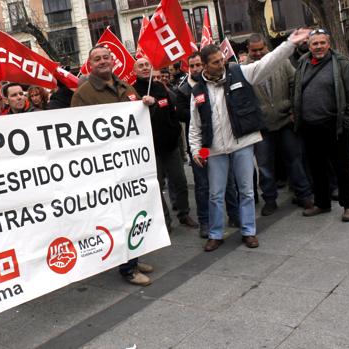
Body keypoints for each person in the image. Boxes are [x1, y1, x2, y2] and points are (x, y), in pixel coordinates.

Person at [189, 28, 312, 252]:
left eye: (222, 59)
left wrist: (290, 44)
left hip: (243, 143)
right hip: (215, 150)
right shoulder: (197, 90)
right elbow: (195, 125)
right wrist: (196, 150)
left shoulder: (239, 73)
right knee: (216, 194)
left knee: (246, 190)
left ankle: (249, 231)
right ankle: (216, 234)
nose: (221, 64)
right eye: (215, 62)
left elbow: (267, 64)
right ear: (205, 66)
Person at [71, 45, 156, 286]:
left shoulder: (126, 87)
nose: (102, 62)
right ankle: (127, 269)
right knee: (118, 217)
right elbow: (76, 133)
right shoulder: (83, 94)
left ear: (112, 61)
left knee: (133, 213)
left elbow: (137, 121)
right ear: (90, 65)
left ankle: (134, 256)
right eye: (96, 59)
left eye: (106, 57)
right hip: (106, 169)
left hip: (130, 164)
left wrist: (145, 104)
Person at [293, 28, 349, 222]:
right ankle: (322, 203)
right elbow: (297, 90)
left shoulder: (340, 63)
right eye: (315, 43)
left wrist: (348, 120)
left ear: (328, 44)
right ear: (309, 45)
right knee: (317, 167)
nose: (319, 46)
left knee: (343, 167)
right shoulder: (302, 63)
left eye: (322, 42)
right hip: (310, 126)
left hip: (335, 125)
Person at [246, 33, 314, 216]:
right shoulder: (244, 70)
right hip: (262, 128)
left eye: (261, 49)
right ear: (248, 51)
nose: (258, 53)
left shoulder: (282, 62)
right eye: (254, 50)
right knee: (264, 166)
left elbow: (295, 84)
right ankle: (270, 199)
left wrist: (293, 109)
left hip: (285, 121)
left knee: (294, 160)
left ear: (266, 47)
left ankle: (304, 194)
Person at [133, 58, 200, 231]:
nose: (145, 67)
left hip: (170, 146)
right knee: (157, 186)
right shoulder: (133, 92)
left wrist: (175, 131)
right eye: (140, 66)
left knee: (180, 181)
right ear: (134, 71)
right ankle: (165, 220)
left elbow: (171, 111)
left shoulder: (160, 88)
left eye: (147, 64)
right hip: (151, 149)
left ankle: (184, 214)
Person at [178, 53, 240, 238]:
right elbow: (182, 115)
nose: (196, 68)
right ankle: (205, 222)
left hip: (220, 142)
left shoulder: (216, 83)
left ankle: (234, 215)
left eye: (198, 65)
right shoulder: (184, 90)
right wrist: (200, 111)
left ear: (204, 66)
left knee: (228, 181)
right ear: (188, 68)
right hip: (202, 145)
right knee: (203, 184)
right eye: (192, 65)